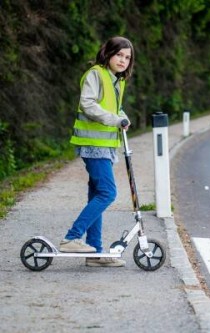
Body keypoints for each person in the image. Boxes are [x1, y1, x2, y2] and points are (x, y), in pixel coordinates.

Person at [60, 36, 134, 267]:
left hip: (105, 146)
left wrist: (123, 117)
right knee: (108, 193)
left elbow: (114, 107)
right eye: (119, 55)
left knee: (96, 194)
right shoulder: (96, 74)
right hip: (93, 145)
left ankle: (95, 253)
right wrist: (115, 119)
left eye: (127, 57)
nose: (123, 60)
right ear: (108, 53)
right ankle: (72, 238)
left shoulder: (117, 80)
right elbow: (88, 104)